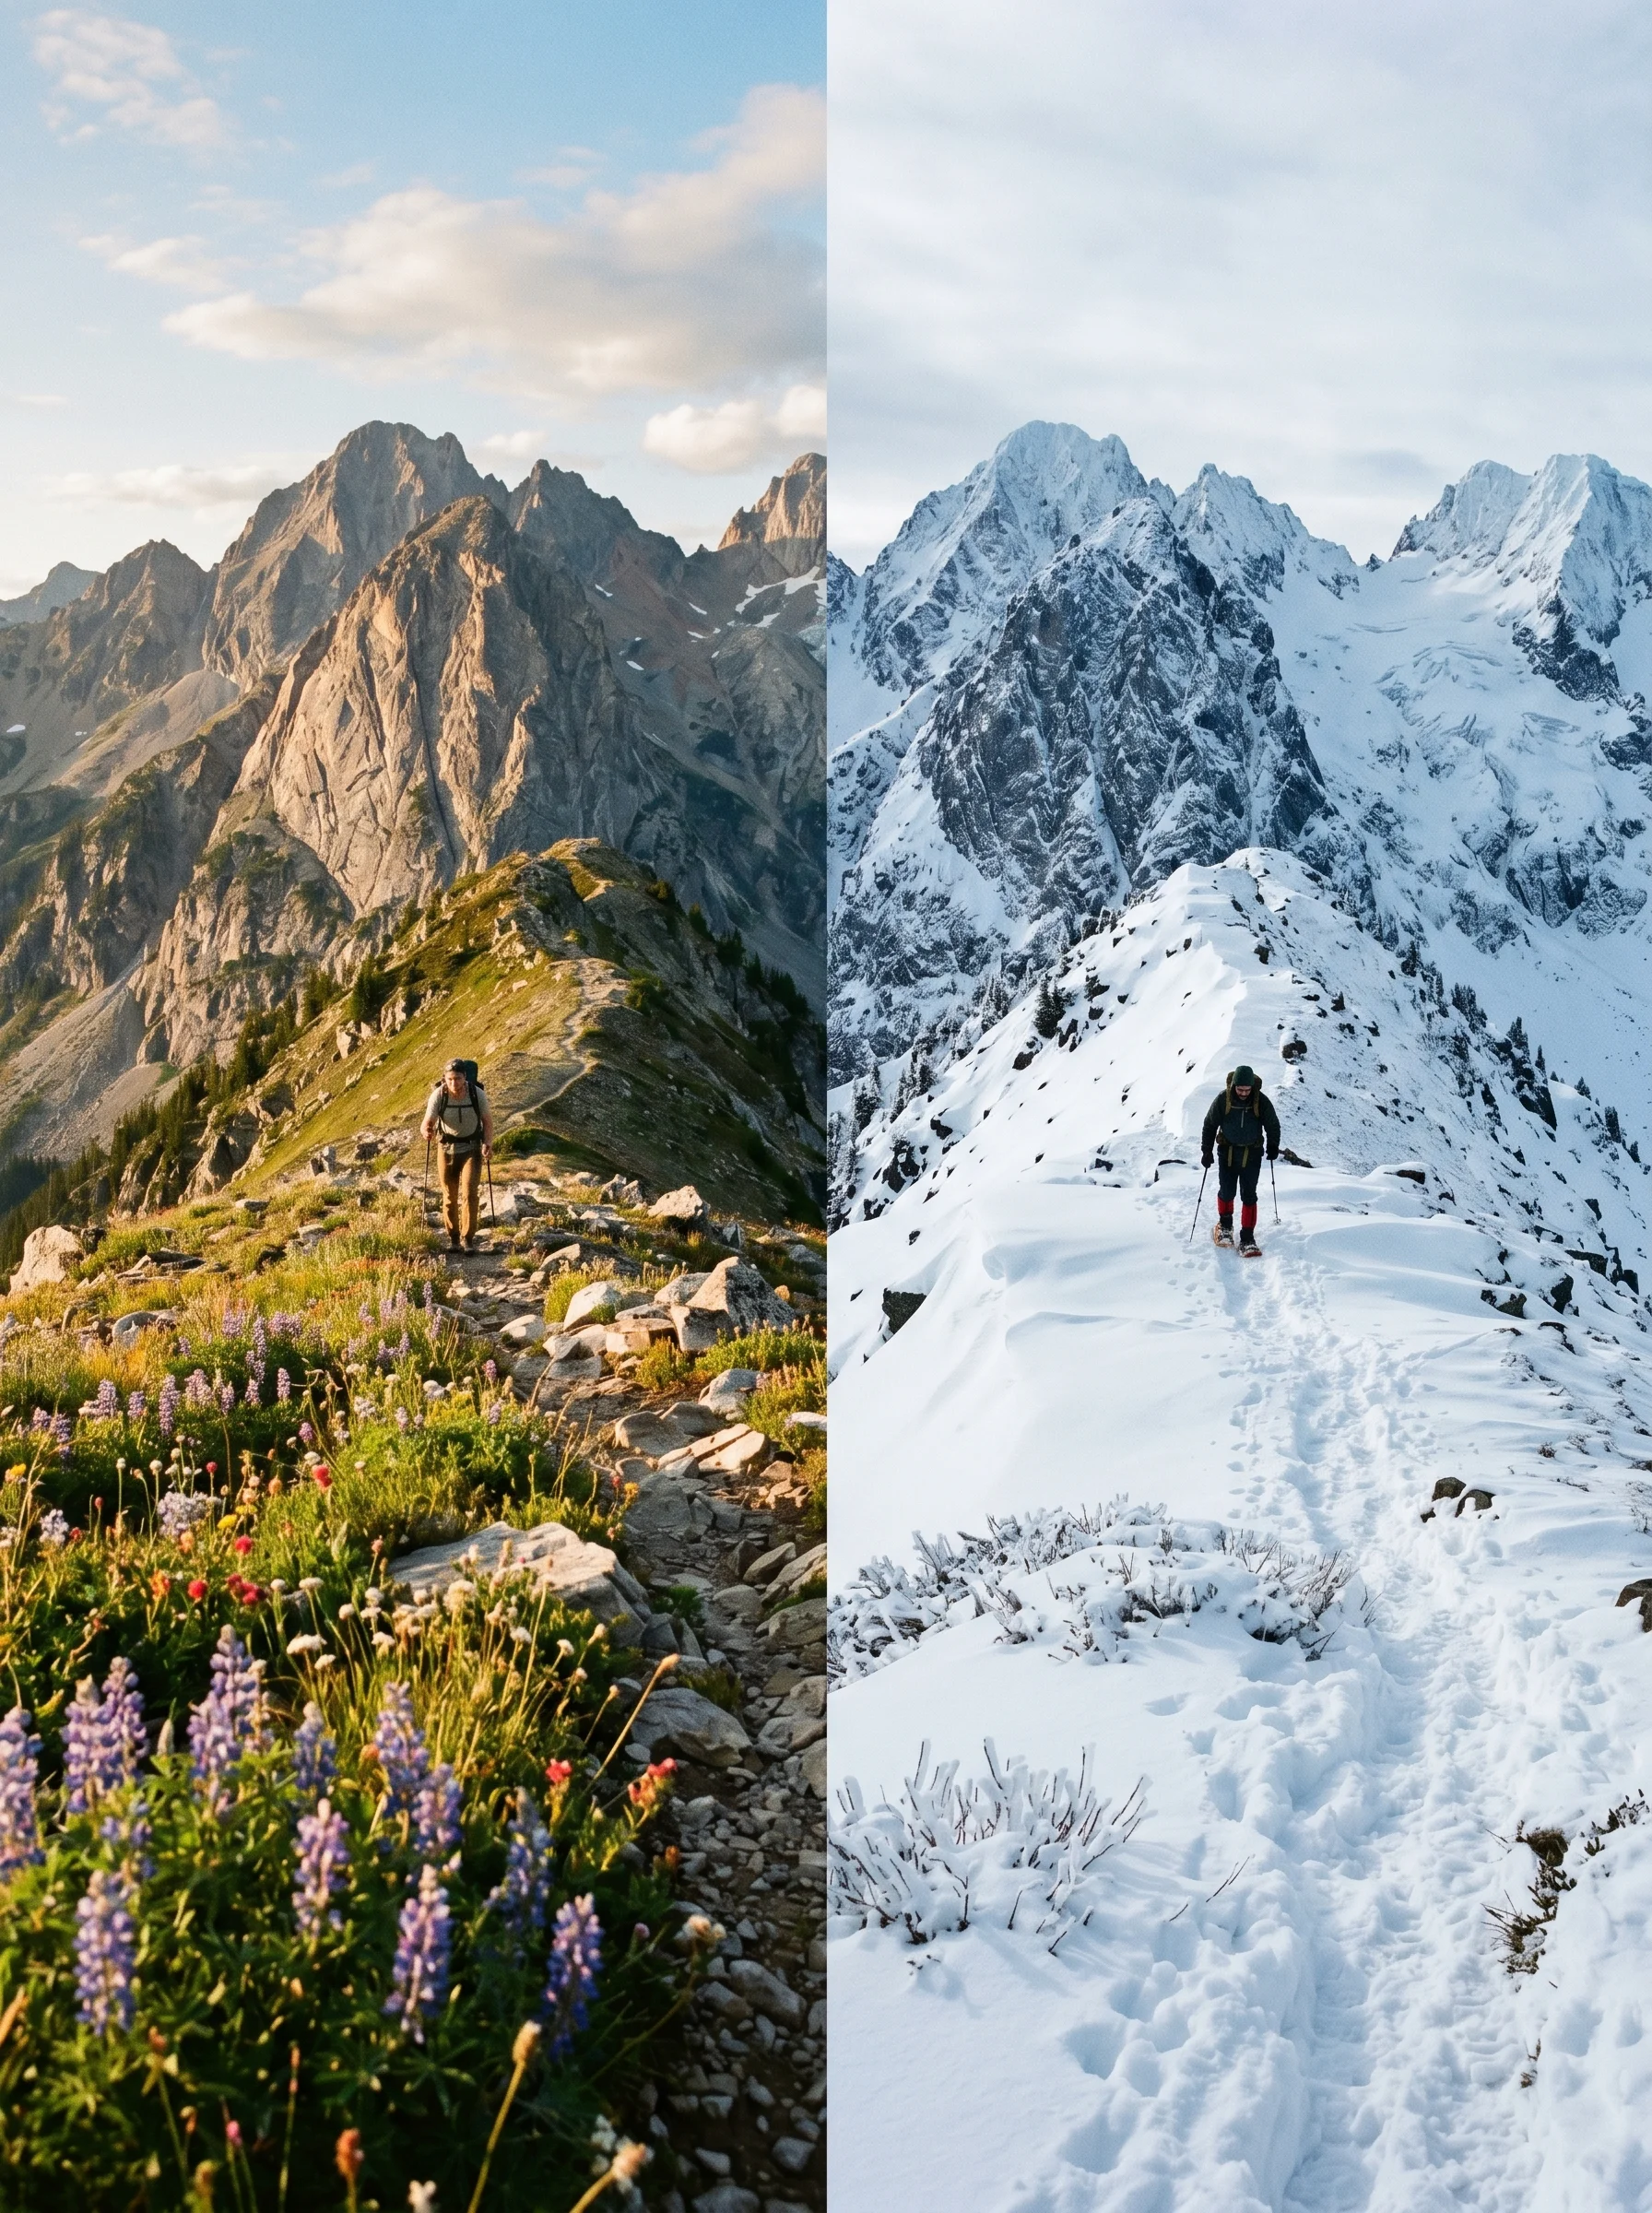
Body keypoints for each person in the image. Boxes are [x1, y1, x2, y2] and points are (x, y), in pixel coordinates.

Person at [1200, 1064, 1280, 1254]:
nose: (1244, 1093)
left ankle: (1247, 1237)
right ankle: (1225, 1226)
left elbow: (1273, 1124)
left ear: (1253, 1086)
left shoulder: (1261, 1101)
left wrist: (1273, 1145)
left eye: (1247, 1089)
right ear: (1234, 1085)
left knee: (1249, 1195)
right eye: (1240, 1089)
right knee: (1227, 1191)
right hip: (1227, 1152)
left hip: (1252, 1154)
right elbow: (1210, 1124)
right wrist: (1206, 1151)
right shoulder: (1223, 1099)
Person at [421, 1059, 492, 1252]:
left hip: (472, 1149)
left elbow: (487, 1122)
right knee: (449, 1195)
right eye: (450, 1079)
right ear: (444, 1078)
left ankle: (468, 1239)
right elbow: (428, 1121)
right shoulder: (439, 1095)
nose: (454, 1083)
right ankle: (453, 1238)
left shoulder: (477, 1094)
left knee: (470, 1193)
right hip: (446, 1149)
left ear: (465, 1078)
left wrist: (488, 1143)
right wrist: (427, 1130)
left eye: (458, 1079)